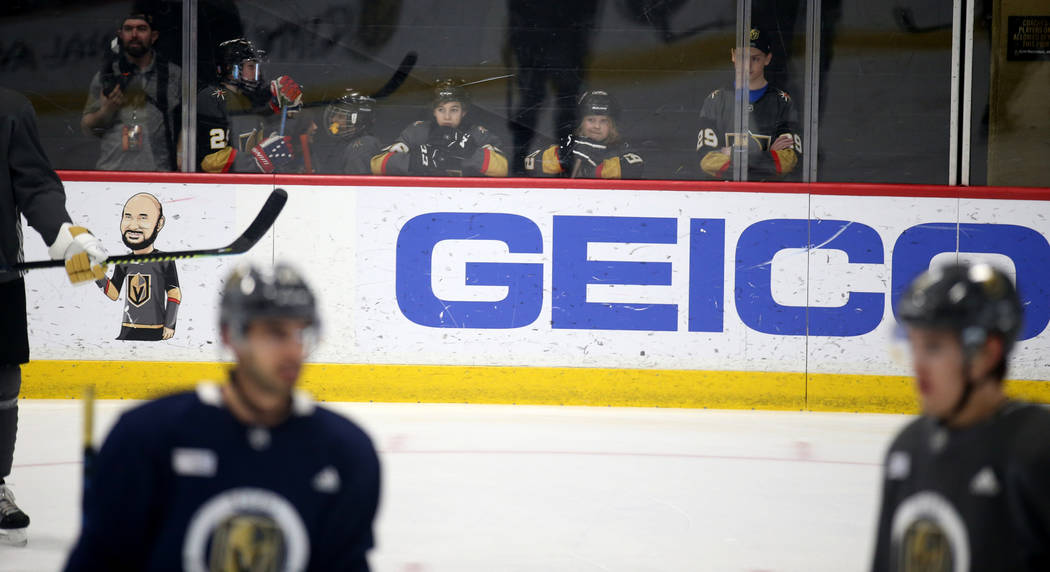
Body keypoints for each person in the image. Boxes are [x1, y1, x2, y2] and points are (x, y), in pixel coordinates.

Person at [64, 262, 381, 570]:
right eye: (275, 333)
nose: (293, 350)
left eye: (301, 333)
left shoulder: (347, 453)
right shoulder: (147, 438)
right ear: (231, 335)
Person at [870, 263, 1050, 571]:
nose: (918, 367)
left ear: (986, 354)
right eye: (913, 347)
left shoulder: (1036, 450)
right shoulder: (908, 448)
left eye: (934, 347)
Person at [0, 87, 109, 547]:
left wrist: (65, 237)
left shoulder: (9, 107)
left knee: (2, 383)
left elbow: (36, 184)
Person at [81, 12, 182, 172]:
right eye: (128, 29)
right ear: (120, 35)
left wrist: (182, 155)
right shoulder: (106, 76)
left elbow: (189, 123)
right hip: (113, 173)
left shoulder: (174, 76)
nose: (134, 35)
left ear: (154, 36)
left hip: (160, 176)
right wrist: (107, 110)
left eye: (141, 29)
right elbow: (87, 128)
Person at [696, 28, 801, 181]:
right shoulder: (716, 101)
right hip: (724, 195)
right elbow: (707, 161)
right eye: (742, 57)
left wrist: (729, 153)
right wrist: (768, 154)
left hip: (770, 196)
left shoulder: (782, 102)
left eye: (755, 59)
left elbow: (787, 162)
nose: (748, 65)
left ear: (768, 58)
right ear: (733, 55)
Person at [197, 38, 305, 173]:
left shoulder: (247, 98)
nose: (258, 73)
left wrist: (287, 110)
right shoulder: (213, 97)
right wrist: (256, 160)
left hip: (247, 184)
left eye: (258, 67)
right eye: (251, 66)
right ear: (231, 68)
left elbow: (270, 141)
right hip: (223, 189)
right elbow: (210, 162)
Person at [370, 79, 508, 177]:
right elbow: (376, 165)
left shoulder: (478, 134)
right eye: (441, 109)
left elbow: (503, 170)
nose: (447, 116)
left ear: (463, 112)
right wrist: (413, 161)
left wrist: (471, 152)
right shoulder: (417, 131)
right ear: (434, 112)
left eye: (454, 110)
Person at [95, 192, 181, 341]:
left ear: (159, 224)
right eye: (127, 216)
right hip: (127, 329)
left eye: (143, 217)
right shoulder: (123, 261)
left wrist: (170, 324)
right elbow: (114, 294)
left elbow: (174, 293)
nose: (133, 225)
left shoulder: (165, 260)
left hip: (155, 330)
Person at [522, 90, 645, 179]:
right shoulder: (567, 143)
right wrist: (565, 157)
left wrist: (590, 171)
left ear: (612, 126)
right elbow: (531, 163)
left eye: (604, 121)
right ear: (581, 122)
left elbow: (634, 167)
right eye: (590, 120)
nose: (597, 126)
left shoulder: (620, 147)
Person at [312, 89, 383, 174]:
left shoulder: (361, 148)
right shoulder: (345, 142)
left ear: (359, 120)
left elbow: (356, 185)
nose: (334, 119)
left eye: (341, 116)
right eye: (334, 115)